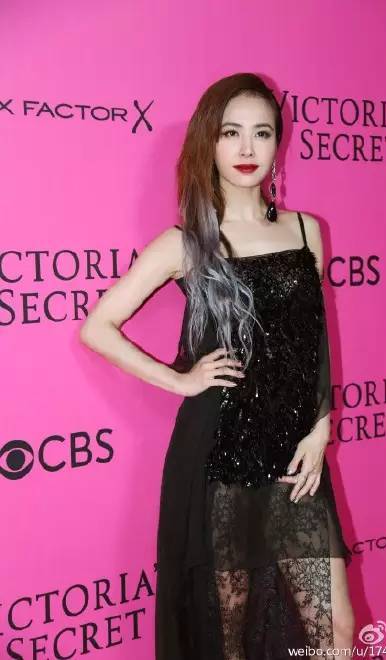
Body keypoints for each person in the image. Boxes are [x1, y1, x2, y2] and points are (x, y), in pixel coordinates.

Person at [80, 72, 355, 660]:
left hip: (296, 459)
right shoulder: (187, 243)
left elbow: (314, 340)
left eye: (262, 133)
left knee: (336, 633)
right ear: (210, 142)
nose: (248, 148)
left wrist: (322, 426)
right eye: (232, 133)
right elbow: (97, 327)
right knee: (229, 637)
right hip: (219, 456)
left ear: (278, 142)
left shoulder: (306, 230)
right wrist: (181, 379)